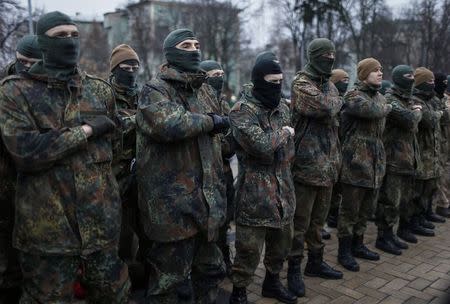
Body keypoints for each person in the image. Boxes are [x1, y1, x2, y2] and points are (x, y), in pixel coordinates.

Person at [0, 11, 130, 303]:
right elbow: (26, 152)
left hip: (101, 228)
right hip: (47, 234)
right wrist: (85, 130)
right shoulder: (16, 92)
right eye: (60, 36)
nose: (70, 42)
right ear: (42, 41)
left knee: (115, 295)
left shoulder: (99, 90)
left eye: (74, 35)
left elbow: (115, 154)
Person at [136, 28, 229, 303]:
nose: (194, 49)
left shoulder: (205, 91)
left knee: (212, 271)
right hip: (172, 207)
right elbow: (169, 124)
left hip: (207, 204)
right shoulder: (155, 90)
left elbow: (223, 133)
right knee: (169, 280)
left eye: (197, 44)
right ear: (171, 52)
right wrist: (212, 122)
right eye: (186, 45)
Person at [228, 51, 297, 304]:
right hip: (254, 192)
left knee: (281, 244)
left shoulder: (282, 108)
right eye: (272, 81)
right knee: (248, 249)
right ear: (259, 80)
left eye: (281, 81)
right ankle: (239, 292)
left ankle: (272, 283)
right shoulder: (241, 111)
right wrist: (285, 133)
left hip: (283, 188)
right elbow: (260, 145)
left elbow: (288, 152)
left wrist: (282, 137)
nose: (277, 86)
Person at [289, 38, 344, 298]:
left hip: (328, 166)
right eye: (325, 54)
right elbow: (325, 106)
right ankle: (293, 270)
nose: (330, 58)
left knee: (318, 222)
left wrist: (335, 100)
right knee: (299, 222)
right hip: (306, 166)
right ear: (314, 56)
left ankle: (315, 262)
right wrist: (336, 101)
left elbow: (332, 105)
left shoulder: (329, 84)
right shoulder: (301, 83)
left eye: (333, 54)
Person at [0, 33, 42, 304]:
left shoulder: (46, 86)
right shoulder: (5, 88)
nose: (26, 67)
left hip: (37, 182)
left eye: (33, 62)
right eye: (22, 61)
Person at [337, 58, 388, 271]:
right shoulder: (353, 96)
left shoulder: (380, 97)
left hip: (374, 164)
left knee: (366, 209)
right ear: (364, 74)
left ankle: (358, 245)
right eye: (375, 70)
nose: (380, 73)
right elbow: (374, 111)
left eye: (381, 69)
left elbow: (380, 110)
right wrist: (387, 106)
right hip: (355, 163)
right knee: (349, 210)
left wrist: (386, 105)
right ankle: (344, 251)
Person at [108, 44, 145, 288]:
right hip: (116, 175)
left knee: (143, 228)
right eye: (125, 66)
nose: (131, 70)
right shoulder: (105, 95)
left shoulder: (142, 94)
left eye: (134, 66)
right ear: (115, 69)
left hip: (141, 172)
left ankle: (140, 276)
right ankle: (121, 281)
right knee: (120, 233)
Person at [377, 65, 422, 253]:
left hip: (407, 158)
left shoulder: (408, 99)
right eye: (408, 76)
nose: (412, 79)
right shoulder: (390, 99)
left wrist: (415, 109)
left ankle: (393, 234)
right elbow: (411, 121)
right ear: (398, 78)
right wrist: (417, 110)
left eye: (413, 75)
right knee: (390, 201)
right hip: (393, 159)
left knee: (403, 200)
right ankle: (383, 237)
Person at [199, 60, 235, 277]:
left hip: (225, 170)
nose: (220, 77)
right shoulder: (199, 102)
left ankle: (224, 259)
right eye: (215, 74)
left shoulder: (223, 102)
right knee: (208, 220)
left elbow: (232, 132)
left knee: (225, 218)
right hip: (206, 172)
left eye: (222, 73)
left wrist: (227, 145)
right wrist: (222, 144)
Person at [410, 67, 444, 237]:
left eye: (433, 81)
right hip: (422, 152)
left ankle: (423, 216)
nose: (433, 84)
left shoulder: (431, 100)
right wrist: (438, 113)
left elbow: (441, 116)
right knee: (417, 191)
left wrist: (437, 113)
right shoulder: (416, 100)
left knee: (429, 188)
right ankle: (413, 221)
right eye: (429, 81)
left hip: (433, 151)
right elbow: (429, 120)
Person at [326, 68, 350, 230]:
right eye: (343, 80)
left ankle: (333, 215)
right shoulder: (331, 101)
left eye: (348, 79)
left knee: (338, 188)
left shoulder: (346, 100)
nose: (346, 83)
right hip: (329, 150)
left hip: (342, 150)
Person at [432, 72, 450, 218]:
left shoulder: (444, 99)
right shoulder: (434, 99)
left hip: (444, 141)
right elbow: (444, 117)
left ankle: (444, 202)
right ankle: (441, 204)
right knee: (440, 173)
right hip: (438, 142)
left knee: (445, 173)